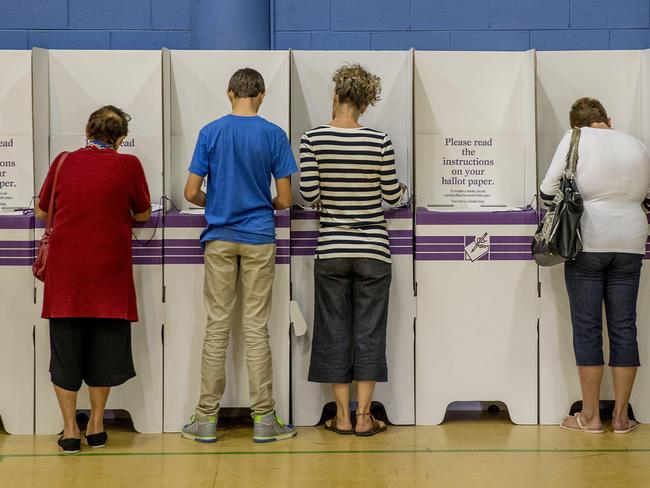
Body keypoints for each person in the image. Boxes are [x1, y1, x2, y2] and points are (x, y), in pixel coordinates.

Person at [182, 68, 298, 443]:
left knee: (216, 327)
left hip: (218, 238)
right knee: (256, 328)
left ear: (229, 92)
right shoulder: (274, 134)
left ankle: (205, 420)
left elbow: (189, 192)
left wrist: (216, 201)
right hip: (260, 237)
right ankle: (264, 420)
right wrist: (257, 204)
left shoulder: (210, 132)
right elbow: (284, 199)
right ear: (262, 95)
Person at [35, 106, 152, 454]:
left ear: (87, 130)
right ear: (120, 138)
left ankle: (70, 430)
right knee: (105, 348)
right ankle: (97, 425)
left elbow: (43, 211)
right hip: (110, 273)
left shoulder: (63, 162)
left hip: (66, 274)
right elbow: (143, 212)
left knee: (66, 351)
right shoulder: (128, 165)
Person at [300, 64, 404, 436]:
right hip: (374, 250)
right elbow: (392, 195)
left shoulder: (312, 139)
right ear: (364, 103)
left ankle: (341, 416)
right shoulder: (379, 140)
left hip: (331, 250)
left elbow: (309, 195)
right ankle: (364, 417)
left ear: (336, 96)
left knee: (333, 332)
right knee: (369, 333)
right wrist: (402, 189)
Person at [540, 97, 650, 434]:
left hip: (587, 241)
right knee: (623, 327)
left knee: (587, 327)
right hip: (631, 243)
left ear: (577, 124)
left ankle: (589, 417)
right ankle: (620, 417)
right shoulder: (638, 145)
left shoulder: (575, 139)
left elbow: (547, 190)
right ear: (608, 119)